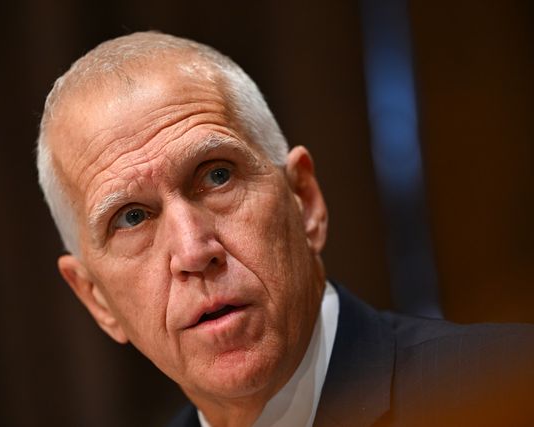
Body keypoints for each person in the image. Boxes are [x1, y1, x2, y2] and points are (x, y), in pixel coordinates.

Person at [35, 32, 534, 427]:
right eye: (132, 217)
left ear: (305, 201)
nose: (193, 251)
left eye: (217, 175)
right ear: (97, 300)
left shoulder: (509, 387)